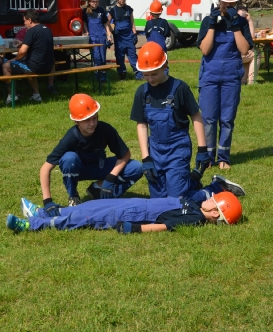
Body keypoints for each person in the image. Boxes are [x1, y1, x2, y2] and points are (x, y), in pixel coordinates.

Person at [6, 175, 245, 233]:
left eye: (211, 200)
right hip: (136, 203)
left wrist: (135, 228)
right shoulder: (196, 207)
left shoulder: (194, 217)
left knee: (87, 218)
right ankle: (48, 211)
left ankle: (33, 225)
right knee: (90, 207)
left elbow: (166, 226)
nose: (207, 200)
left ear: (215, 212)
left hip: (135, 214)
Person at [39, 93, 143, 216]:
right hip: (79, 169)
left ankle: (99, 191)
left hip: (100, 167)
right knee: (69, 159)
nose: (92, 123)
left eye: (94, 118)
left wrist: (110, 178)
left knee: (137, 167)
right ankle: (74, 197)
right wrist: (47, 201)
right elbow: (45, 168)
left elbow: (125, 155)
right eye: (87, 120)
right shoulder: (71, 137)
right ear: (76, 122)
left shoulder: (105, 129)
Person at [130, 41, 209, 199]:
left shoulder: (180, 89)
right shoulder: (142, 93)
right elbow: (142, 125)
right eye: (146, 75)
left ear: (165, 65)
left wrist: (202, 149)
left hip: (177, 149)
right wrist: (146, 157)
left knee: (176, 202)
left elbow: (196, 116)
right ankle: (191, 181)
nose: (150, 79)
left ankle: (213, 189)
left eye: (154, 73)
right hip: (155, 151)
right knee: (158, 203)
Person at [197, 0, 253, 170]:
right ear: (219, 2)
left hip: (231, 76)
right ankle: (208, 157)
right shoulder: (207, 21)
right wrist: (213, 25)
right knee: (208, 118)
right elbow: (205, 50)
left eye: (232, 3)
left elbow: (244, 50)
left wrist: (236, 26)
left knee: (227, 119)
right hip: (210, 76)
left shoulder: (241, 22)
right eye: (225, 3)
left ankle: (223, 157)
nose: (228, 6)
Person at [2, 9, 56, 104]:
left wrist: (14, 59)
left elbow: (22, 52)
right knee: (27, 64)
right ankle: (36, 95)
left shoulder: (31, 31)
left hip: (35, 67)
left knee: (6, 66)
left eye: (24, 21)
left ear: (30, 20)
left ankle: (11, 96)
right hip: (48, 67)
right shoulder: (47, 30)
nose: (24, 23)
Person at [107, 0, 143, 80]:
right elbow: (106, 22)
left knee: (133, 56)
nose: (122, 1)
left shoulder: (129, 9)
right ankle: (122, 74)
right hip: (119, 38)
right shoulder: (113, 10)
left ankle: (139, 75)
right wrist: (111, 31)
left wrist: (134, 33)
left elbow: (132, 22)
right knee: (120, 57)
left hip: (129, 36)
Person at [82, 0, 112, 83]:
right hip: (92, 37)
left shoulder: (101, 10)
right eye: (93, 1)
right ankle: (97, 75)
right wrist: (86, 31)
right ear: (89, 2)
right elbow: (84, 23)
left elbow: (105, 23)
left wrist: (109, 35)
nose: (95, 3)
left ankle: (103, 77)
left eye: (96, 2)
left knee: (103, 58)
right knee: (96, 57)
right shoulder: (85, 12)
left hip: (101, 36)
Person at [238, 4, 260, 84]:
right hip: (239, 53)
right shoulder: (242, 23)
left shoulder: (234, 21)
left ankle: (243, 80)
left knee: (250, 53)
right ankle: (251, 80)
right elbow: (252, 37)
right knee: (256, 53)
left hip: (235, 52)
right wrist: (249, 20)